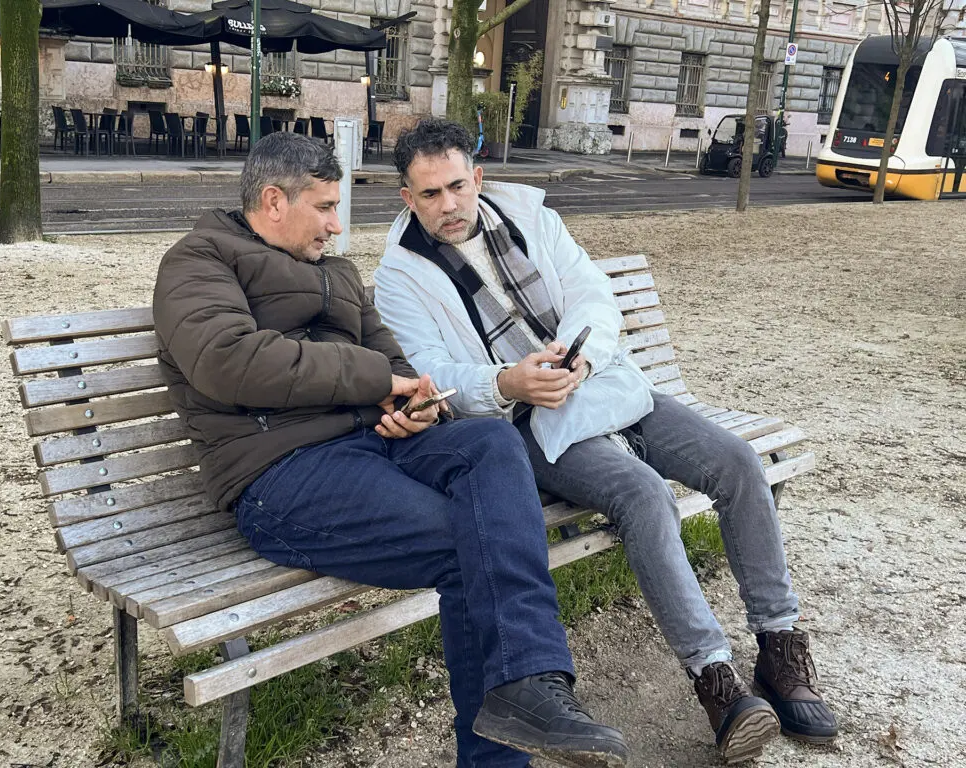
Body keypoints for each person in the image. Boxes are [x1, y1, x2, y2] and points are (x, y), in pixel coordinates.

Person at [152, 132, 629, 768]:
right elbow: (226, 362)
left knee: (487, 438)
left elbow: (394, 362)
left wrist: (415, 405)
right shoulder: (201, 260)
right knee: (469, 541)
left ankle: (531, 684)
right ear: (272, 201)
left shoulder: (337, 273)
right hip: (280, 473)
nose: (335, 223)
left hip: (373, 447)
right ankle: (502, 747)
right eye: (323, 207)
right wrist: (378, 382)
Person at [373, 118, 839, 763]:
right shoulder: (399, 277)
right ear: (407, 197)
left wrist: (583, 357)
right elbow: (431, 369)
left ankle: (780, 648)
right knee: (645, 496)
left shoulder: (531, 215)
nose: (448, 206)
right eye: (429, 195)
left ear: (477, 177)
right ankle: (718, 684)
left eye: (457, 186)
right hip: (526, 421)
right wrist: (506, 381)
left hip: (603, 383)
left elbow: (591, 293)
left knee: (735, 461)